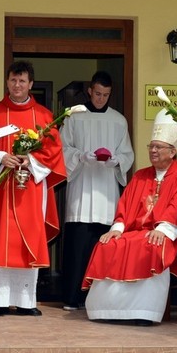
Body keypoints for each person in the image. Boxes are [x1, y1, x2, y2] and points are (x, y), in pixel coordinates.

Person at [82, 109, 177, 325]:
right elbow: (125, 206)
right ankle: (107, 311)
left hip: (173, 233)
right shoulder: (140, 175)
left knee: (154, 245)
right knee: (107, 245)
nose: (153, 151)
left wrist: (163, 229)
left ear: (173, 151)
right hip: (137, 231)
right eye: (151, 146)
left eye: (158, 147)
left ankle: (145, 313)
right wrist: (117, 229)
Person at [0, 60, 66, 316]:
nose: (17, 85)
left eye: (22, 81)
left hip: (29, 190)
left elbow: (54, 152)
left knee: (28, 243)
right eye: (13, 80)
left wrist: (30, 160)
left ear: (31, 84)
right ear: (7, 82)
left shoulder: (44, 117)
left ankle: (26, 302)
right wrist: (0, 157)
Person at [60, 71, 133, 310]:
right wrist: (81, 156)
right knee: (77, 249)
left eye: (106, 95)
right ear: (90, 91)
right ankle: (71, 297)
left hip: (106, 193)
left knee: (101, 251)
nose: (101, 99)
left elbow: (127, 153)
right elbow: (62, 149)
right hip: (81, 191)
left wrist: (116, 161)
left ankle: (97, 300)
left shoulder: (118, 120)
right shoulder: (74, 117)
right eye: (98, 93)